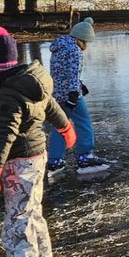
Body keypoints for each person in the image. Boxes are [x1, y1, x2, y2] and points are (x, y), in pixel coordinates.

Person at [0, 28, 76, 257]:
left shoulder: (8, 93)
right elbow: (50, 104)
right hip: (37, 154)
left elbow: (4, 134)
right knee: (32, 209)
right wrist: (65, 126)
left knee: (18, 215)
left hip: (18, 160)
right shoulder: (32, 80)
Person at [45, 17, 112, 173]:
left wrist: (80, 85)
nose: (86, 46)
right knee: (84, 123)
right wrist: (74, 94)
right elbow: (72, 74)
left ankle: (55, 160)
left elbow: (61, 71)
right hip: (70, 94)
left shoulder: (59, 47)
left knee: (61, 125)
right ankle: (85, 156)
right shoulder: (75, 50)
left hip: (57, 92)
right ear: (82, 39)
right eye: (87, 42)